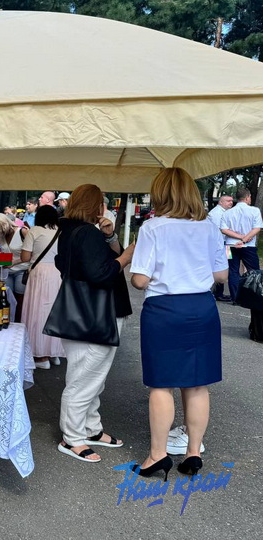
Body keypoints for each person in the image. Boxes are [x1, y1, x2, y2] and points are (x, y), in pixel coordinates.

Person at [129, 168, 228, 479]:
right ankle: (193, 452)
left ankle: (157, 455)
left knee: (162, 383)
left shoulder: (152, 228)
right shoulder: (209, 227)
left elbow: (140, 280)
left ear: (161, 194)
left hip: (165, 309)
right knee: (197, 382)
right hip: (202, 306)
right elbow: (221, 275)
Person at [54, 184, 135, 463]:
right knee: (85, 378)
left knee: (92, 377)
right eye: (101, 201)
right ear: (95, 205)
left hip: (83, 313)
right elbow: (101, 273)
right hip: (95, 314)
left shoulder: (71, 230)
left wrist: (111, 237)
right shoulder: (86, 232)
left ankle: (90, 428)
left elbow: (72, 265)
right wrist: (126, 257)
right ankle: (72, 437)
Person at [20, 205, 64, 369]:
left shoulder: (34, 231)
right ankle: (54, 353)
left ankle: (41, 356)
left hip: (39, 274)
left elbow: (25, 257)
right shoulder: (61, 231)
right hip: (57, 273)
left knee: (37, 313)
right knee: (53, 313)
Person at [220, 188, 263, 303]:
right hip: (248, 246)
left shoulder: (227, 213)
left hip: (229, 246)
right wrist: (244, 239)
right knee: (254, 271)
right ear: (247, 197)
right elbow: (257, 228)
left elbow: (223, 230)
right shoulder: (254, 210)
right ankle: (254, 296)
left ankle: (235, 298)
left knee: (232, 271)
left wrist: (239, 237)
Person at [0, 214, 27, 322]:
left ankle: (18, 321)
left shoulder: (22, 232)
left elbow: (32, 253)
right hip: (7, 271)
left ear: (5, 225)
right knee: (6, 297)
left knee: (19, 299)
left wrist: (15, 262)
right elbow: (5, 253)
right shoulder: (2, 236)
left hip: (22, 270)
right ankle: (8, 320)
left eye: (0, 231)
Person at [208, 195, 234, 301]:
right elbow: (218, 230)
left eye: (232, 201)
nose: (231, 203)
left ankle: (219, 292)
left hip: (226, 244)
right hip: (221, 244)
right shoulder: (216, 213)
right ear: (221, 202)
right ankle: (217, 293)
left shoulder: (224, 212)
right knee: (221, 266)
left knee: (226, 264)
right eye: (228, 201)